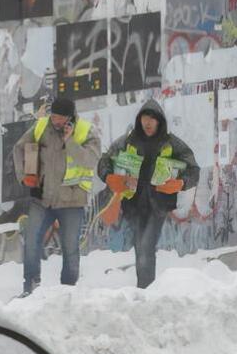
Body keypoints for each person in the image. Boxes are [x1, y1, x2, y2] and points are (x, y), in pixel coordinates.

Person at [97, 99, 200, 289]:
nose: (149, 122)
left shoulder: (171, 143)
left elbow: (193, 169)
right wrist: (109, 177)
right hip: (134, 206)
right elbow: (105, 161)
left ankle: (145, 290)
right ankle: (145, 290)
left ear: (160, 121)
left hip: (157, 206)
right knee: (140, 249)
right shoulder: (127, 141)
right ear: (139, 119)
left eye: (153, 118)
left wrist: (180, 183)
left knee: (145, 247)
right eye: (145, 117)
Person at [12, 97, 100, 295]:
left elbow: (89, 160)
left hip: (71, 201)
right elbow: (21, 148)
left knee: (70, 248)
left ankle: (67, 292)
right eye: (53, 116)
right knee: (31, 240)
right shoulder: (42, 126)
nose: (55, 121)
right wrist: (27, 174)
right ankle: (31, 287)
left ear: (70, 117)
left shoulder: (86, 131)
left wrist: (70, 142)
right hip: (42, 198)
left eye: (60, 118)